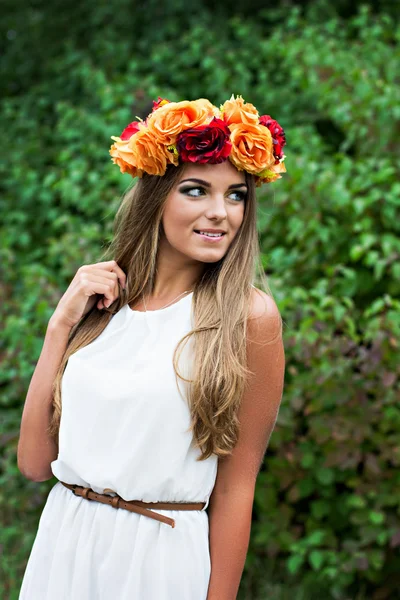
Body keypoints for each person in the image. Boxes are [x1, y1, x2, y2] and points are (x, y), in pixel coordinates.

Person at [17, 95, 286, 600]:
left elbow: (234, 490)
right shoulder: (104, 306)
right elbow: (35, 463)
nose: (219, 212)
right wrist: (59, 327)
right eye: (196, 190)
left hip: (158, 561)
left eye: (236, 195)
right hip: (64, 546)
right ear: (155, 197)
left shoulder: (248, 318)